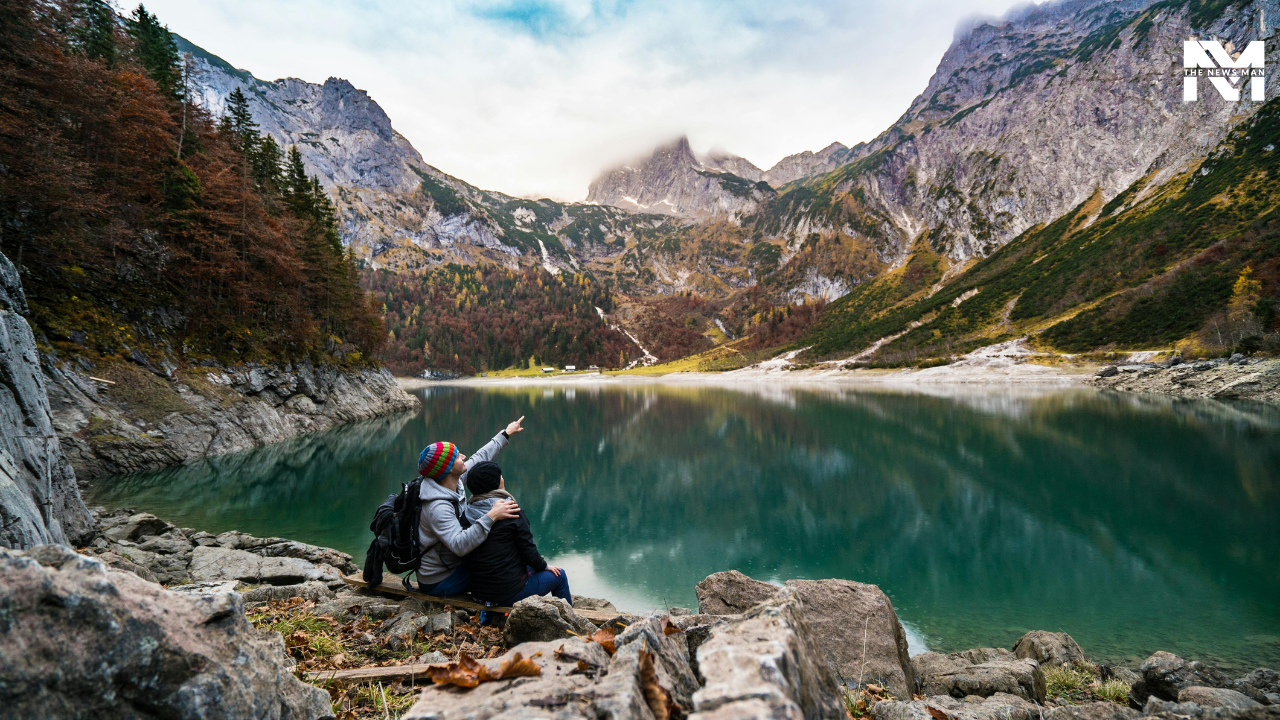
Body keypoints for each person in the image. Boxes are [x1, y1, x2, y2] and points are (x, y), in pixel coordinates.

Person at [416, 417, 525, 596]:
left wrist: (506, 433)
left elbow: (480, 457)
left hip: (453, 564)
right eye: (458, 456)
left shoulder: (453, 480)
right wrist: (491, 516)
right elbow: (459, 545)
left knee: (506, 562)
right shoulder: (437, 507)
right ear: (448, 468)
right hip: (440, 578)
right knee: (504, 571)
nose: (464, 457)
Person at [462, 460, 572, 608]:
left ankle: (487, 617)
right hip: (508, 595)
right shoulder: (511, 512)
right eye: (500, 476)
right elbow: (528, 551)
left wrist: (540, 566)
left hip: (479, 593)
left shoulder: (467, 513)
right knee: (559, 576)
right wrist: (545, 567)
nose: (502, 478)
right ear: (495, 483)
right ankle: (568, 620)